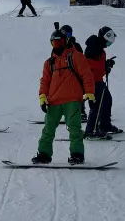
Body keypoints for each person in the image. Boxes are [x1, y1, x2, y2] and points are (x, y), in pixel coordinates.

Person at [34, 28, 95, 164]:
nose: (58, 46)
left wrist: (90, 92)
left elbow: (87, 75)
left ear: (66, 41)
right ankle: (44, 154)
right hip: (54, 101)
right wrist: (43, 97)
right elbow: (45, 81)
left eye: (60, 42)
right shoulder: (49, 62)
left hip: (72, 99)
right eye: (55, 44)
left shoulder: (76, 56)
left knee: (74, 128)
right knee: (48, 129)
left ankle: (77, 154)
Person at [83, 26, 122, 137]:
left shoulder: (101, 51)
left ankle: (105, 125)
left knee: (107, 100)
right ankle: (91, 130)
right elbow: (88, 64)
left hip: (99, 81)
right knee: (96, 105)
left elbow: (99, 68)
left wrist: (107, 65)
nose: (108, 45)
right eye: (108, 43)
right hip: (92, 82)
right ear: (104, 38)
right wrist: (103, 66)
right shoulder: (93, 47)